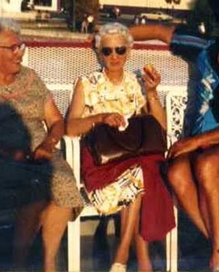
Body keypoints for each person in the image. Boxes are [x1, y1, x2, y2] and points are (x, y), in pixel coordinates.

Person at [130, 3, 219, 272]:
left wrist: (194, 141)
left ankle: (217, 255)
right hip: (201, 147)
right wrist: (112, 35)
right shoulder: (204, 50)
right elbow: (160, 32)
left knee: (207, 165)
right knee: (176, 172)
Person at [0, 18, 84, 272]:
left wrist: (48, 144)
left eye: (20, 46)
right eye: (13, 47)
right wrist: (6, 151)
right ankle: (19, 263)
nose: (20, 52)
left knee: (65, 183)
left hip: (39, 154)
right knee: (35, 188)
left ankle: (48, 264)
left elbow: (56, 121)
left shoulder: (31, 78)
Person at [66, 22, 174, 272]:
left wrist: (152, 92)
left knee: (141, 174)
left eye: (120, 50)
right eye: (107, 51)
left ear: (129, 51)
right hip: (101, 162)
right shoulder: (87, 83)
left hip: (133, 157)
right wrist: (101, 118)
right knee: (142, 177)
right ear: (99, 52)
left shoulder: (138, 82)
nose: (114, 56)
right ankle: (133, 258)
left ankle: (124, 257)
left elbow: (161, 128)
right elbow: (70, 127)